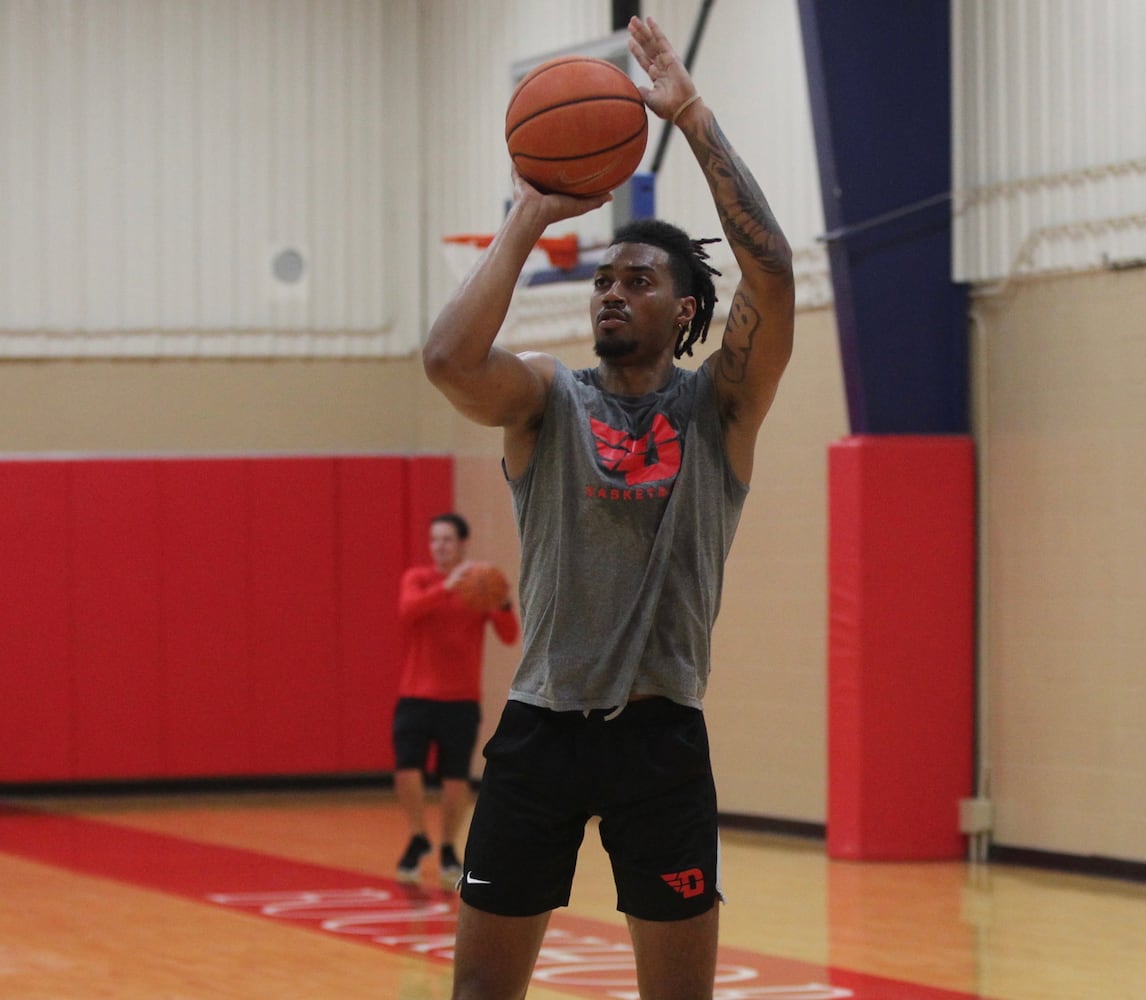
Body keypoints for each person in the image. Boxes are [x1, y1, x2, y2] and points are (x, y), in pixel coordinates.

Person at [422, 14, 793, 1000]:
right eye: (604, 280)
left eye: (638, 280)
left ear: (683, 311)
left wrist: (692, 115)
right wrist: (528, 214)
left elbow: (774, 273)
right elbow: (446, 360)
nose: (611, 293)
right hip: (541, 730)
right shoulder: (547, 399)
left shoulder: (718, 409)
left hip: (661, 738)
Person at [392, 512, 519, 888]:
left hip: (461, 699)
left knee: (454, 778)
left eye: (447, 540)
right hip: (415, 694)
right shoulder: (419, 578)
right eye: (434, 540)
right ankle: (418, 836)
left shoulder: (478, 587)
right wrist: (446, 586)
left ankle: (448, 845)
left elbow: (509, 636)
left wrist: (503, 602)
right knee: (406, 769)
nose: (439, 547)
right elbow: (408, 611)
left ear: (463, 544)